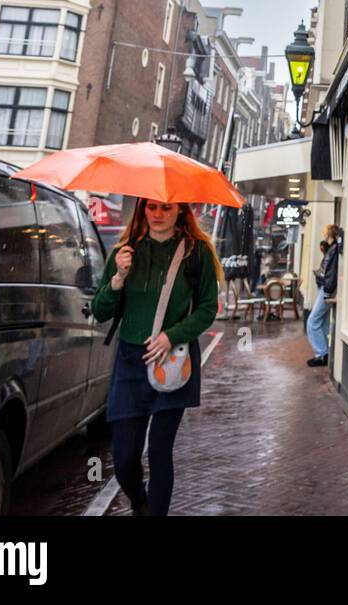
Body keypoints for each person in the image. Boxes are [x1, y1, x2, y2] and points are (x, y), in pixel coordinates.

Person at [90, 198, 221, 515]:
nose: (158, 214)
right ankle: (141, 503)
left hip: (172, 361)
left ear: (180, 211)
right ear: (142, 210)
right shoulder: (126, 252)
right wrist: (118, 278)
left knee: (160, 452)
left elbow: (207, 309)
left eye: (167, 207)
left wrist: (171, 336)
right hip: (130, 362)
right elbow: (99, 310)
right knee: (124, 458)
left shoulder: (196, 253)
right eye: (151, 207)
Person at [306, 224, 341, 367]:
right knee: (323, 323)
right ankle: (325, 352)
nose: (324, 234)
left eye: (325, 232)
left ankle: (321, 354)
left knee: (312, 322)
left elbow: (331, 273)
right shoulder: (332, 249)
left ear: (330, 234)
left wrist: (327, 293)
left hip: (326, 290)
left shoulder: (334, 251)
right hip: (326, 288)